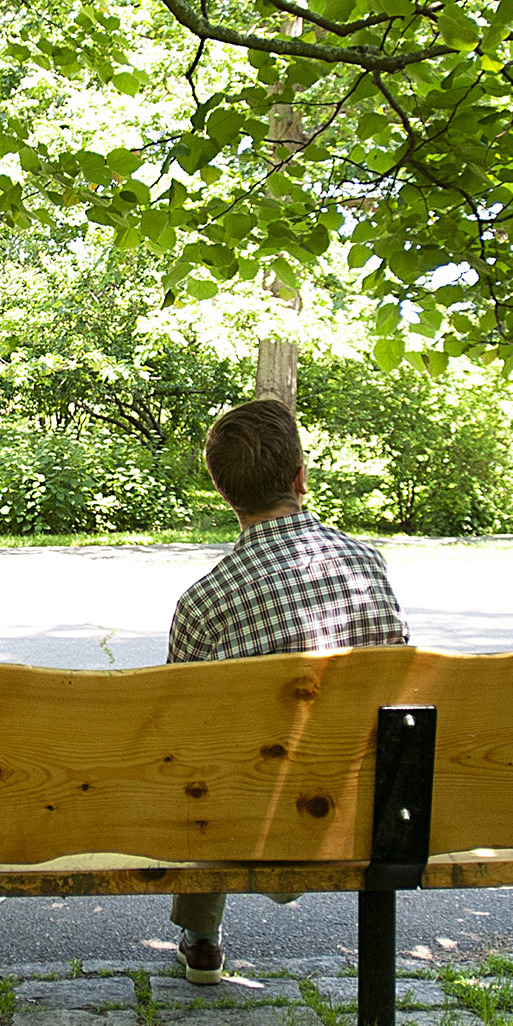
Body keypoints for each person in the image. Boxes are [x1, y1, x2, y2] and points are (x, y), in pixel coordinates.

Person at [165, 397, 409, 985]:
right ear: (300, 478)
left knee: (197, 758)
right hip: (358, 806)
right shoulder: (365, 565)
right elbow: (402, 682)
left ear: (226, 495)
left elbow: (175, 730)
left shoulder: (204, 602)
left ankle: (201, 937)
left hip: (249, 817)